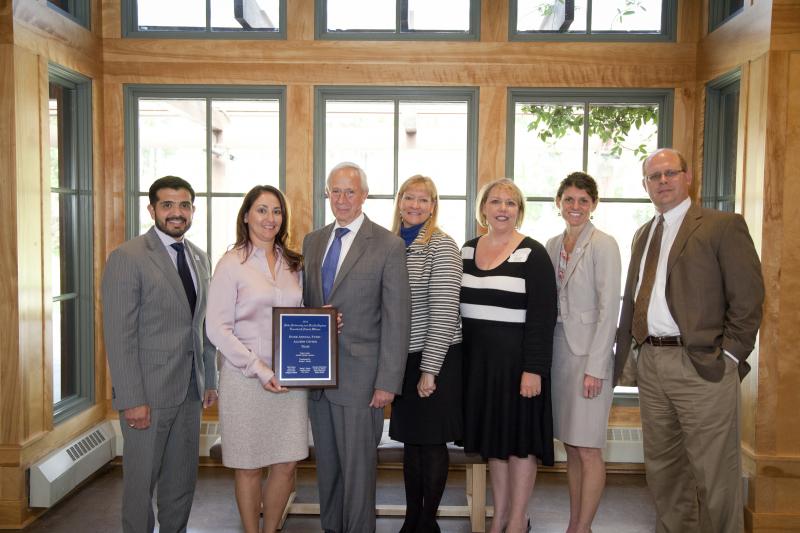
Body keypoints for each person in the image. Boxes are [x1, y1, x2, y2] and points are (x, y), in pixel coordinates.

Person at [614, 148, 764, 533]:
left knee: (715, 474)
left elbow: (748, 300)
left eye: (670, 173)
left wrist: (728, 356)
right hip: (651, 362)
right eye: (654, 176)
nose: (662, 181)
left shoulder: (721, 225)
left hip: (702, 365)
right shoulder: (643, 233)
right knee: (664, 471)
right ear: (645, 185)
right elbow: (634, 298)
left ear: (688, 177)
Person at [102, 175, 218, 533]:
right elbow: (119, 337)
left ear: (193, 210)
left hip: (189, 392)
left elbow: (202, 326)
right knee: (140, 485)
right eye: (167, 205)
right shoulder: (128, 257)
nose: (176, 213)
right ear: (151, 209)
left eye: (184, 205)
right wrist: (132, 399)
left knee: (181, 483)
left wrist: (209, 379)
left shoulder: (199, 258)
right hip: (147, 395)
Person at [302, 162, 411, 533]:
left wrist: (387, 383)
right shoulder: (313, 241)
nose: (342, 198)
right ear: (327, 194)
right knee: (328, 470)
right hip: (319, 379)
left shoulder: (388, 245)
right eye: (335, 190)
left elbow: (398, 319)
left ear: (364, 195)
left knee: (359, 473)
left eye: (351, 191)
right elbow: (306, 306)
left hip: (363, 381)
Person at [205, 185, 307, 533]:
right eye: (261, 210)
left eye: (276, 211)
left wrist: (325, 322)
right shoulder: (231, 264)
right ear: (246, 215)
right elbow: (216, 328)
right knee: (248, 466)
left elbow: (301, 318)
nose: (270, 218)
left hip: (290, 380)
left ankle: (270, 529)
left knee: (287, 462)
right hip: (244, 378)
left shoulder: (294, 263)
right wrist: (258, 369)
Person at [460, 178, 557, 533]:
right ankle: (498, 515)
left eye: (511, 203)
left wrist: (534, 369)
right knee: (495, 444)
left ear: (519, 211)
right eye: (496, 201)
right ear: (483, 208)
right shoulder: (466, 251)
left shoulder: (533, 253)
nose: (503, 209)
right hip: (479, 367)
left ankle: (518, 518)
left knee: (520, 444)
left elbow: (543, 319)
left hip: (519, 367)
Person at [545, 172, 621, 533]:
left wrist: (596, 368)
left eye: (583, 200)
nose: (576, 207)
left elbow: (609, 311)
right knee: (572, 446)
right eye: (569, 199)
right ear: (558, 202)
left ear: (593, 205)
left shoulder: (604, 244)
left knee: (589, 448)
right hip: (559, 355)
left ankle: (582, 527)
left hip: (590, 358)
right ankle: (576, 524)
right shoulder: (550, 244)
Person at [388, 175, 463, 533]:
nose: (415, 205)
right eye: (409, 198)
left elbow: (446, 310)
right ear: (399, 201)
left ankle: (427, 521)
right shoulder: (389, 244)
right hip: (403, 357)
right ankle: (411, 518)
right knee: (411, 443)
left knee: (431, 442)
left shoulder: (442, 245)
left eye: (424, 199)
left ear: (433, 205)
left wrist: (429, 370)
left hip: (435, 355)